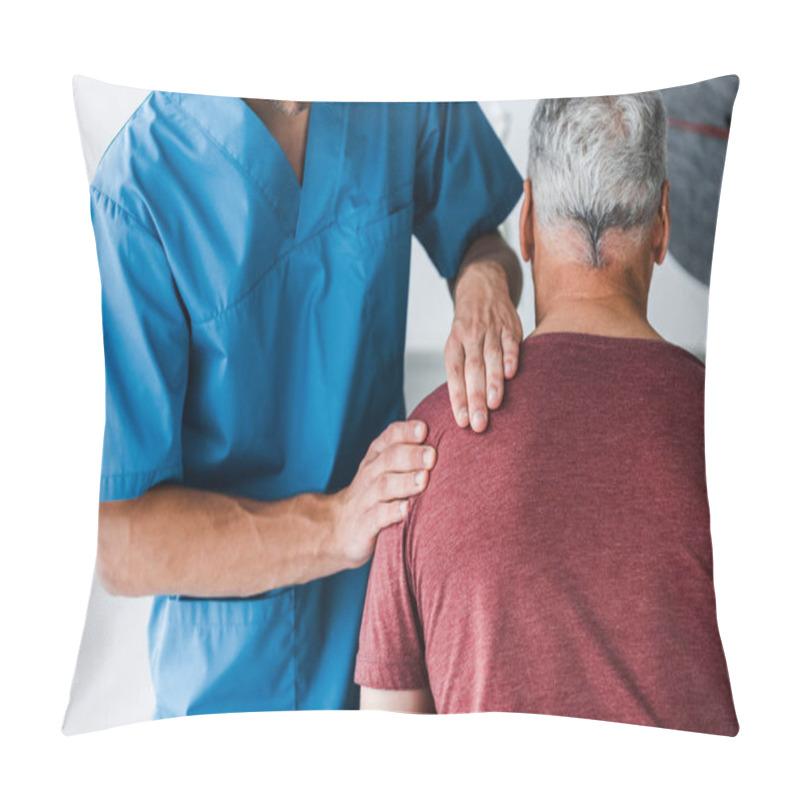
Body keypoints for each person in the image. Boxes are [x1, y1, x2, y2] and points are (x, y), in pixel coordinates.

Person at [90, 93, 523, 717]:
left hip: (391, 637)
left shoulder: (397, 93)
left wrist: (484, 277)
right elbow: (119, 542)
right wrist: (336, 525)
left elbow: (483, 236)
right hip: (235, 685)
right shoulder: (138, 190)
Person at [355, 93, 739, 736]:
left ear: (526, 222)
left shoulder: (419, 458)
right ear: (664, 224)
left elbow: (385, 754)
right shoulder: (739, 439)